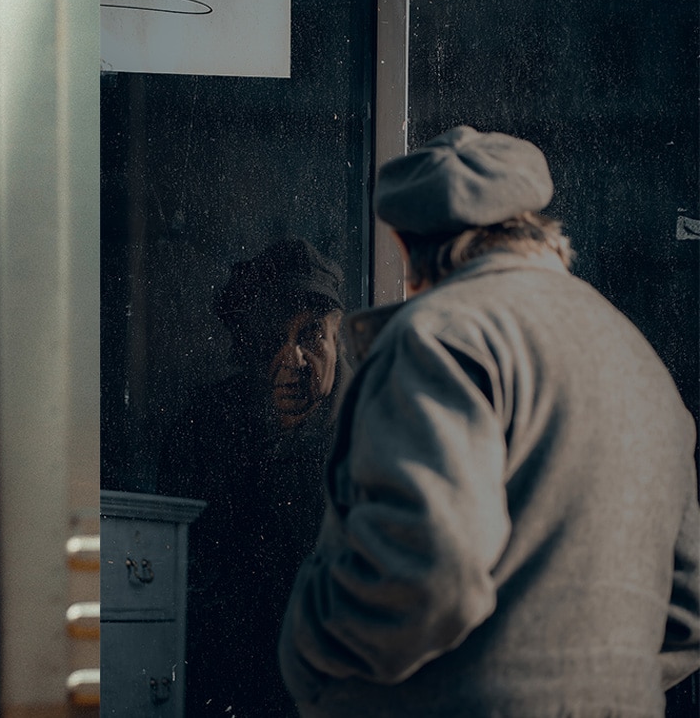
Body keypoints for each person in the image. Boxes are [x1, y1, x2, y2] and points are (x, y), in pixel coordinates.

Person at [278, 126, 700, 716]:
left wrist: (304, 653)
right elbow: (685, 613)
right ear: (532, 229)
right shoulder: (639, 360)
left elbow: (428, 575)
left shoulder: (440, 336)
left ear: (407, 247)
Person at [156, 237, 351, 717]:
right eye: (272, 341)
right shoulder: (206, 425)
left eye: (310, 335)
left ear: (336, 336)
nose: (293, 360)